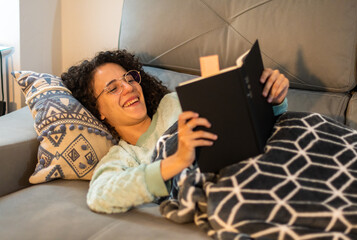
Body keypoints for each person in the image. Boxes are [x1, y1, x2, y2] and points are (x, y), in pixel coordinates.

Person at [61, 49, 289, 214]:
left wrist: (272, 99)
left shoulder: (174, 102)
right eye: (113, 88)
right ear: (97, 110)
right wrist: (176, 161)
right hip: (229, 188)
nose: (129, 88)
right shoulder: (124, 156)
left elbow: (239, 120)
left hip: (262, 158)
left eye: (129, 79)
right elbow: (100, 195)